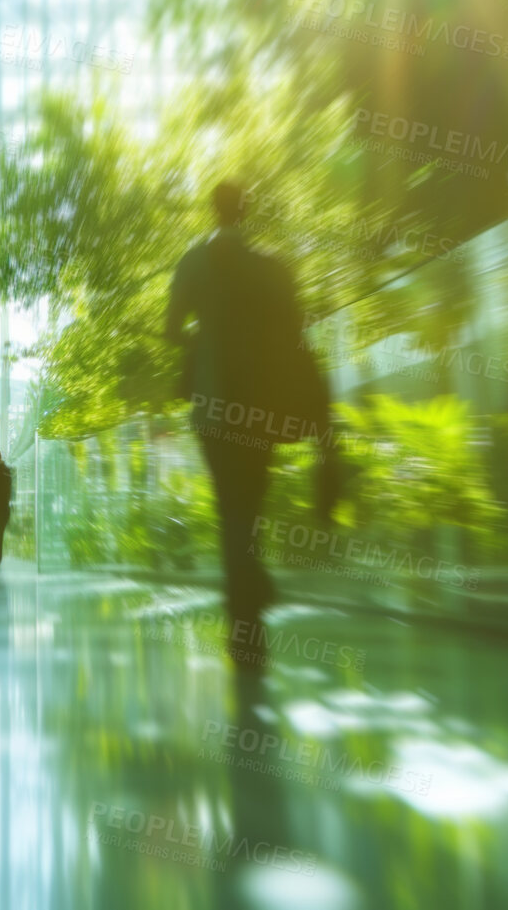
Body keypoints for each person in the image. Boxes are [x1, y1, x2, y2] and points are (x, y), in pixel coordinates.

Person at [163, 181, 331, 672]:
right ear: (247, 211)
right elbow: (297, 331)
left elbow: (173, 329)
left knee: (230, 509)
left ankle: (244, 622)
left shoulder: (193, 263)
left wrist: (200, 336)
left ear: (212, 210)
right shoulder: (272, 267)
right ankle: (250, 597)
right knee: (251, 505)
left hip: (215, 407)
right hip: (262, 407)